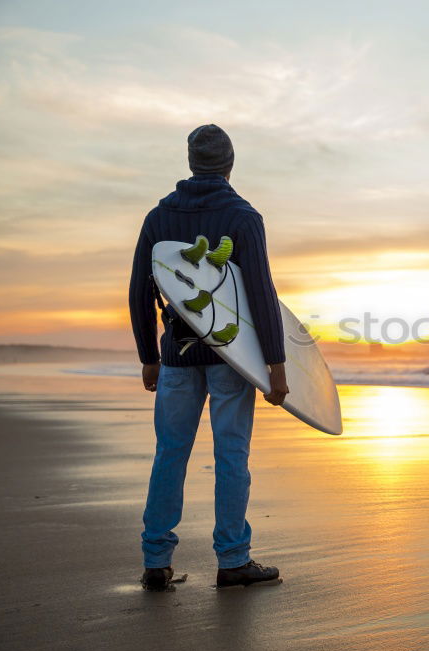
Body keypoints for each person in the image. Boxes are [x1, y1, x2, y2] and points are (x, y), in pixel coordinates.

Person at [128, 124, 289, 590]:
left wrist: (148, 355)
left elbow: (141, 288)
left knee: (170, 454)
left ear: (191, 163)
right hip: (231, 359)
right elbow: (259, 291)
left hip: (176, 356)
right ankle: (233, 560)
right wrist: (276, 366)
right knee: (231, 454)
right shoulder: (242, 216)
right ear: (230, 163)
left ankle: (156, 561)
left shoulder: (159, 216)